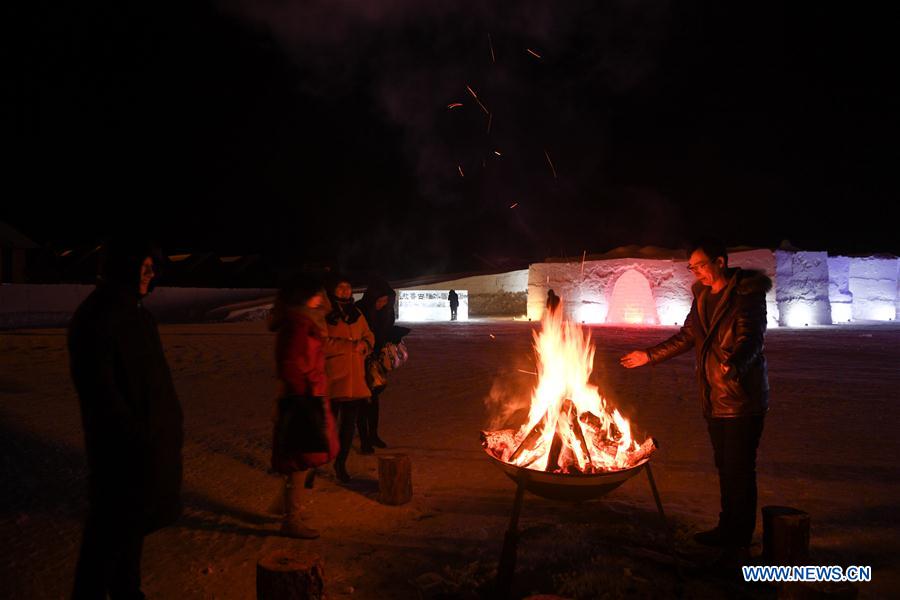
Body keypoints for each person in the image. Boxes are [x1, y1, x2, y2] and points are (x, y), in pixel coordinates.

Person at [620, 238, 771, 572]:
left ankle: (738, 545)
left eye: (701, 265)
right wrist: (649, 356)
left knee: (739, 472)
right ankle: (726, 528)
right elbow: (688, 336)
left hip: (741, 399)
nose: (697, 272)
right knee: (725, 468)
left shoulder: (746, 294)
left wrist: (736, 365)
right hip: (714, 398)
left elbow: (751, 337)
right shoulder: (702, 297)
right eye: (692, 267)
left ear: (720, 261)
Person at [68, 239, 183, 599]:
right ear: (123, 268)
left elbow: (153, 382)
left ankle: (128, 593)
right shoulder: (98, 317)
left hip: (145, 445)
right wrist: (134, 438)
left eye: (153, 265)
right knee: (105, 541)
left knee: (129, 534)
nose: (150, 272)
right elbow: (101, 393)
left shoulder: (137, 315)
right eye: (142, 265)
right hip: (120, 452)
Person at [268, 275, 338, 539]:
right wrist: (303, 395)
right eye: (318, 293)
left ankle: (287, 507)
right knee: (301, 460)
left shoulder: (306, 321)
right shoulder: (298, 324)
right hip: (302, 401)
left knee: (306, 459)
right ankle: (291, 518)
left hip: (309, 397)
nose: (323, 298)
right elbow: (290, 364)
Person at [324, 277, 375, 482]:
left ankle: (340, 463)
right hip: (332, 379)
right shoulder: (324, 314)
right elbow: (320, 342)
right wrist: (348, 346)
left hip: (355, 380)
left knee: (348, 427)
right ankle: (312, 466)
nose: (345, 291)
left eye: (348, 287)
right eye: (340, 287)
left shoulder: (356, 313)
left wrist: (365, 344)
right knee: (326, 427)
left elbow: (369, 335)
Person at [357, 277, 396, 452]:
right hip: (360, 360)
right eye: (379, 300)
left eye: (385, 301)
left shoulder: (386, 312)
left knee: (374, 399)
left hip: (377, 361)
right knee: (362, 400)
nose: (382, 304)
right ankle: (364, 438)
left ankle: (373, 434)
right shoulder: (359, 310)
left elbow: (386, 331)